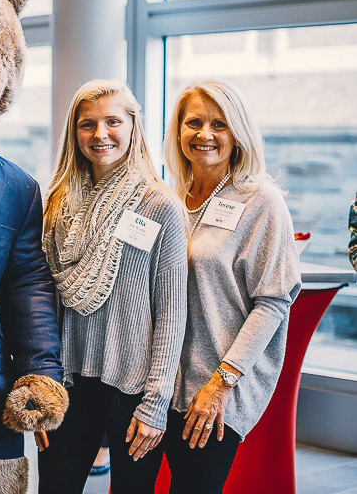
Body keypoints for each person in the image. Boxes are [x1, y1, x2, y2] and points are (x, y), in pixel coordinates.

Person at [36, 79, 188, 494]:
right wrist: (40, 381)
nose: (100, 135)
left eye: (113, 122)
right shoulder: (56, 203)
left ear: (133, 127)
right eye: (88, 124)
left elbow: (172, 314)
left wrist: (155, 403)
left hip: (133, 387)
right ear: (74, 132)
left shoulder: (161, 206)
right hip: (66, 382)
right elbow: (43, 301)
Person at [163, 79, 301, 493]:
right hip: (165, 383)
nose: (204, 135)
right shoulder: (174, 197)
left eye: (218, 124)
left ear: (237, 132)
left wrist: (221, 383)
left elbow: (274, 302)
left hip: (217, 385)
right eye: (194, 123)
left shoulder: (261, 201)